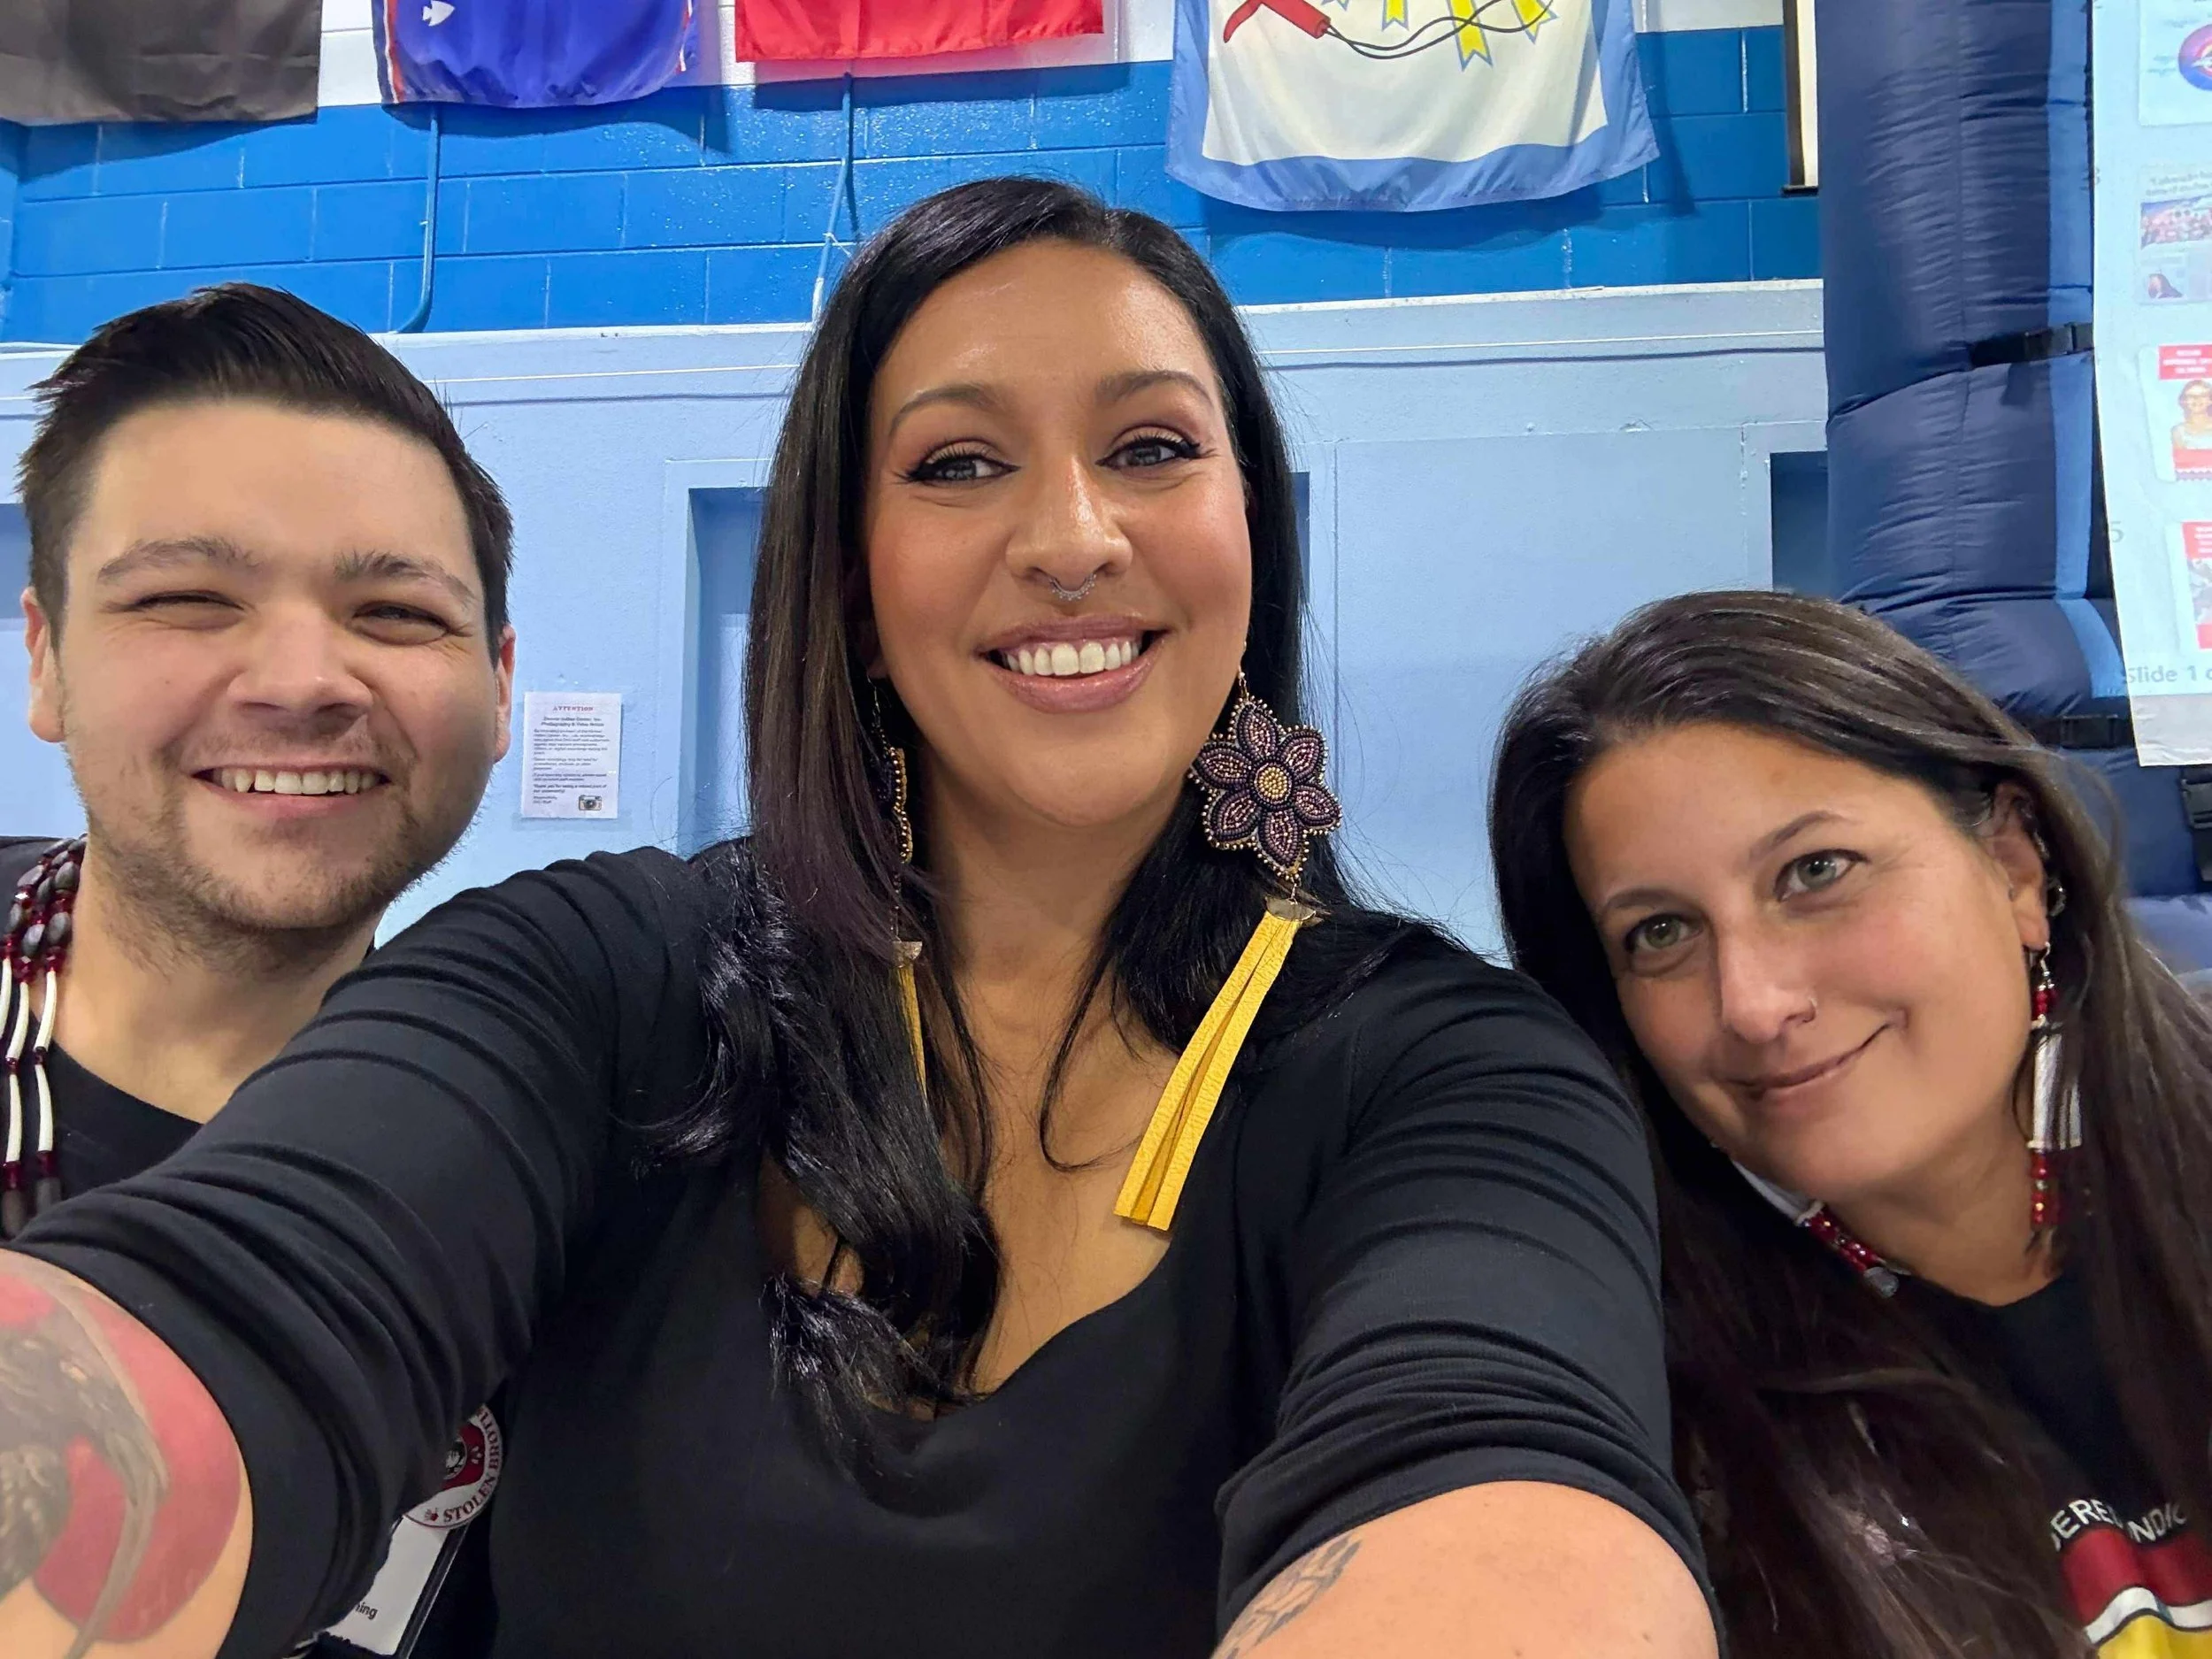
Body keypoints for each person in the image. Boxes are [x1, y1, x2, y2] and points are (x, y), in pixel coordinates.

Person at [0, 180, 1716, 1659]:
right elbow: (247, 1316)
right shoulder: (598, 977)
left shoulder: (1449, 1073)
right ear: (846, 568)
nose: (1069, 534)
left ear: (1247, 526)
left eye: (1150, 448)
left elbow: (1505, 1472)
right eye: (957, 462)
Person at [1489, 589, 2212, 1659]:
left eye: (1815, 872)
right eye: (1660, 933)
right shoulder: (1657, 1405)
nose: (1753, 1003)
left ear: (2015, 865)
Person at [4, 283, 517, 1655]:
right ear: (45, 655)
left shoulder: (569, 1130)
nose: (304, 677)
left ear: (502, 682)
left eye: (397, 612)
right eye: (186, 597)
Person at [2172, 378, 2212, 479]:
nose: (2197, 400)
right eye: (2191, 396)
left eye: (2202, 396)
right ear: (2184, 401)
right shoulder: (2178, 431)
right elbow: (2179, 466)